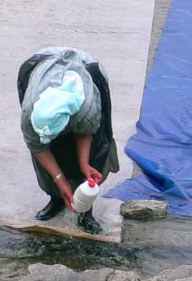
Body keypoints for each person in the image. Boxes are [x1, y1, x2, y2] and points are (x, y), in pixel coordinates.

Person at [17, 46, 119, 233]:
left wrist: (84, 164)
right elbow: (37, 146)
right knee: (52, 151)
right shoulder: (29, 112)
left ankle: (85, 210)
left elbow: (85, 132)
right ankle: (56, 198)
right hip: (44, 64)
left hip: (86, 69)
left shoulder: (87, 110)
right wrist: (59, 179)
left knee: (94, 153)